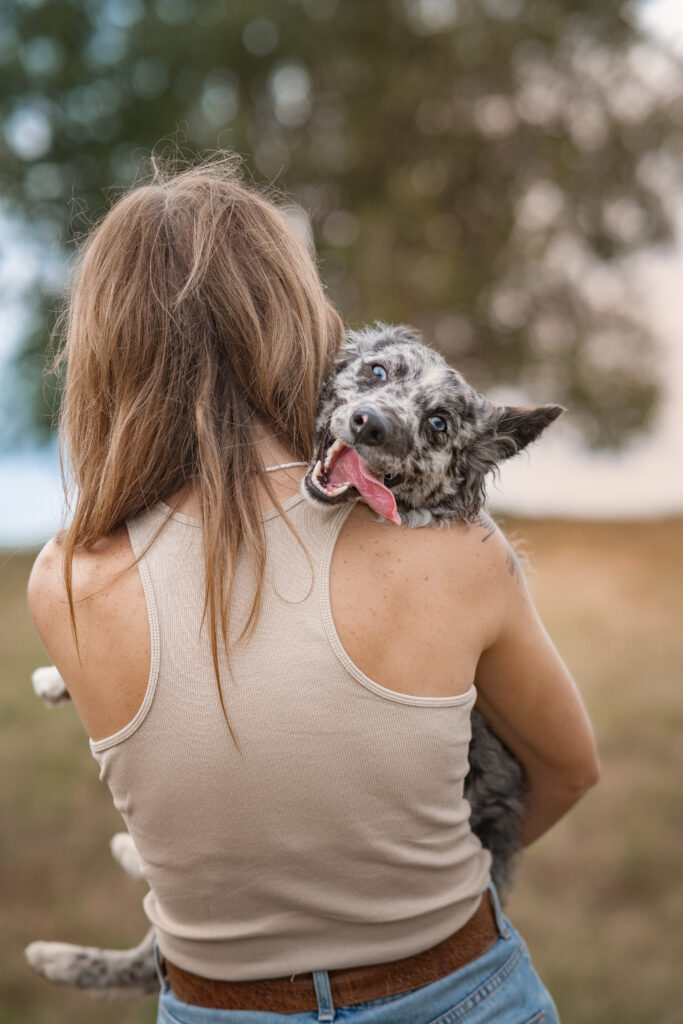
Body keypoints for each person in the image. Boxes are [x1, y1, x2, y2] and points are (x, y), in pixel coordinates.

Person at [27, 156, 600, 1024]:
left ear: (107, 351)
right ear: (303, 319)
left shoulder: (65, 578)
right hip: (464, 990)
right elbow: (565, 768)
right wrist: (414, 897)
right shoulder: (457, 554)